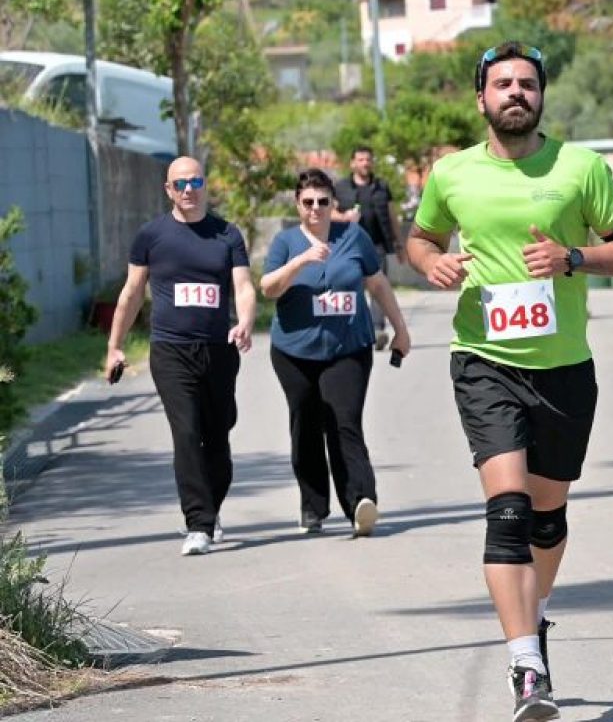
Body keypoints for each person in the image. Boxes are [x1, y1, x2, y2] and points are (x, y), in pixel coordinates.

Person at [407, 42, 613, 722]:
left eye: (527, 84)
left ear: (541, 95)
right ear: (480, 97)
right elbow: (420, 238)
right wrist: (431, 262)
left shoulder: (582, 168)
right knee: (509, 512)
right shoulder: (451, 174)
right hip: (484, 359)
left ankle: (534, 616)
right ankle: (525, 664)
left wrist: (572, 257)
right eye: (502, 84)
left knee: (548, 520)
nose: (516, 93)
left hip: (564, 369)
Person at [104, 156, 256, 557]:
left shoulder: (227, 235)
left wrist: (244, 322)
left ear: (205, 185)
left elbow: (243, 286)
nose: (189, 189)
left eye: (196, 181)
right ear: (168, 190)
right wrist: (114, 346)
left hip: (219, 350)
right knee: (186, 433)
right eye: (180, 184)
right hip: (170, 350)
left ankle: (211, 507)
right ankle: (198, 524)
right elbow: (132, 292)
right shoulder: (151, 236)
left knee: (217, 434)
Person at [261, 169, 412, 537]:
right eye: (308, 202)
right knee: (306, 425)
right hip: (294, 352)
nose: (316, 209)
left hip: (348, 348)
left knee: (345, 421)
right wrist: (301, 262)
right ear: (298, 205)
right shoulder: (285, 243)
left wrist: (401, 330)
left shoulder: (353, 237)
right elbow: (268, 288)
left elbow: (377, 284)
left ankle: (360, 502)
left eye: (323, 202)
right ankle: (313, 507)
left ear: (333, 204)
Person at [332, 146, 405, 351]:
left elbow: (392, 216)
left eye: (368, 159)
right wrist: (344, 217)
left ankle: (377, 330)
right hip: (349, 246)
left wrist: (400, 244)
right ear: (352, 163)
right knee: (351, 288)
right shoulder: (340, 187)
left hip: (377, 246)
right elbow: (328, 212)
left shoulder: (381, 186)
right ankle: (350, 330)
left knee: (379, 287)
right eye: (361, 159)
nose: (365, 163)